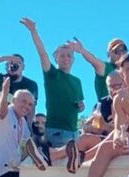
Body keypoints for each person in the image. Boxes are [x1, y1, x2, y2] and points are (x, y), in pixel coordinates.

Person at [21, 17, 85, 148]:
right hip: (56, 131)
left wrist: (81, 106)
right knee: (55, 166)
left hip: (74, 132)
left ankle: (43, 155)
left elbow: (79, 106)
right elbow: (42, 54)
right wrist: (34, 31)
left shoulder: (77, 81)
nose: (66, 58)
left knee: (71, 166)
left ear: (73, 59)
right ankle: (42, 155)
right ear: (56, 58)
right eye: (62, 55)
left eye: (69, 55)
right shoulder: (52, 74)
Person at [0, 52, 38, 122]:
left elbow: (31, 107)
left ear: (23, 67)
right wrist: (3, 58)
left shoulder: (30, 84)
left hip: (20, 123)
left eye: (18, 63)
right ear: (7, 66)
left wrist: (28, 126)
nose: (14, 65)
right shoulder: (0, 79)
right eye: (11, 62)